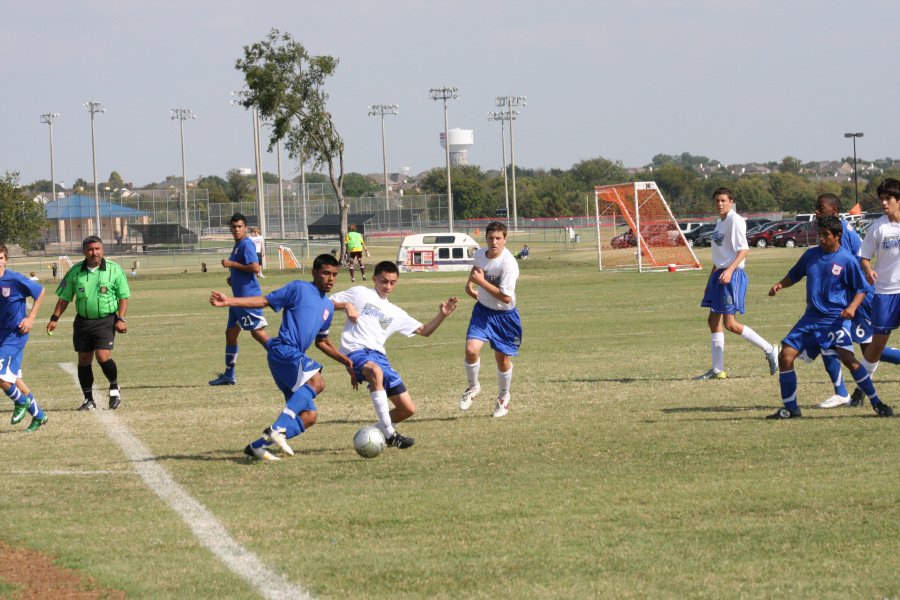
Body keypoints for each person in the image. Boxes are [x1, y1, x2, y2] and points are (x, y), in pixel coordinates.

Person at [209, 254, 356, 461]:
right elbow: (264, 300)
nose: (330, 278)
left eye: (334, 274)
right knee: (318, 382)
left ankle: (257, 447)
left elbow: (322, 342)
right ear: (315, 273)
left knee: (309, 416)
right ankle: (276, 428)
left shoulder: (329, 307)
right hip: (284, 350)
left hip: (290, 359)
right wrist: (229, 301)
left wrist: (346, 361)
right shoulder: (298, 288)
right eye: (325, 273)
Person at [767, 216, 891, 418]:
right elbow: (795, 274)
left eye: (826, 235)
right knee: (785, 356)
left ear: (837, 235)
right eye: (819, 234)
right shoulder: (810, 255)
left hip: (834, 320)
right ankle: (791, 409)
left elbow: (862, 288)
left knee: (849, 361)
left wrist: (852, 307)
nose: (821, 239)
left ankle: (877, 403)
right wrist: (781, 284)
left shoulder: (847, 260)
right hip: (810, 319)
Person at [330, 260, 459, 449]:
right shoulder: (360, 293)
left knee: (407, 409)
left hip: (379, 356)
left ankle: (373, 435)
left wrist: (442, 315)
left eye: (392, 282)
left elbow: (424, 331)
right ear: (374, 279)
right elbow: (325, 303)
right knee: (374, 371)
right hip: (356, 351)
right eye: (383, 281)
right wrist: (346, 306)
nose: (387, 286)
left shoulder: (395, 312)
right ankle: (390, 434)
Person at [813, 193, 900, 408]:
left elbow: (857, 265)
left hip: (858, 298)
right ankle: (841, 392)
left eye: (820, 208)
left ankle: (842, 394)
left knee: (862, 345)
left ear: (833, 211)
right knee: (863, 346)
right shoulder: (830, 230)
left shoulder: (844, 233)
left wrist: (852, 299)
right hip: (847, 298)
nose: (816, 211)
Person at [695, 187, 777, 380]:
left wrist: (730, 271)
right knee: (712, 321)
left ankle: (769, 349)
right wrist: (710, 281)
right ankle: (717, 370)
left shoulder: (736, 220)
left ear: (731, 202)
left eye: (723, 200)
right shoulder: (719, 224)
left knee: (730, 323)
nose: (720, 204)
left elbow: (744, 250)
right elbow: (719, 257)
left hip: (732, 275)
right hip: (719, 275)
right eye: (717, 200)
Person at [47, 236, 130, 410]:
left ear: (102, 250)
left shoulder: (114, 270)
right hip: (83, 321)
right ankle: (88, 400)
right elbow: (64, 298)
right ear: (85, 251)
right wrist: (54, 319)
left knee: (102, 356)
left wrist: (121, 319)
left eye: (97, 249)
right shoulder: (75, 271)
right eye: (91, 249)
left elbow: (123, 297)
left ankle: (114, 387)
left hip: (106, 319)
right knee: (84, 359)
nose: (95, 253)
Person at [459, 221, 522, 418]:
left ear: (505, 239)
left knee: (502, 360)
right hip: (483, 312)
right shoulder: (479, 254)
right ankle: (473, 387)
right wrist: (470, 285)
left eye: (498, 238)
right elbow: (476, 270)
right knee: (471, 350)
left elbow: (506, 297)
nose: (494, 242)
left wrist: (481, 283)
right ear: (485, 239)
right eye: (490, 238)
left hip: (505, 316)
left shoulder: (509, 264)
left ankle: (503, 398)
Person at [209, 213, 269, 386]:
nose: (236, 229)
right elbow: (244, 270)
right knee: (230, 334)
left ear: (245, 228)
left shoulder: (246, 244)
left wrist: (231, 265)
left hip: (248, 299)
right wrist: (232, 278)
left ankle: (288, 361)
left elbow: (255, 267)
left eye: (239, 226)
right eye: (233, 227)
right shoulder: (237, 246)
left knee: (258, 333)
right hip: (236, 301)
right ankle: (229, 374)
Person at [858, 177, 900, 416]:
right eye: (881, 199)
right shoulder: (879, 227)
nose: (884, 203)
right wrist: (868, 269)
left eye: (888, 199)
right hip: (885, 292)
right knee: (877, 344)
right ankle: (863, 388)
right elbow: (864, 255)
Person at [0, 244, 49, 432]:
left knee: (2, 376)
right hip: (1, 334)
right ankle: (39, 416)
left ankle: (21, 402)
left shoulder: (13, 279)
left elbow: (40, 291)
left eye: (1, 258)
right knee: (13, 379)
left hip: (16, 334)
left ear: (6, 260)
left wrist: (31, 318)